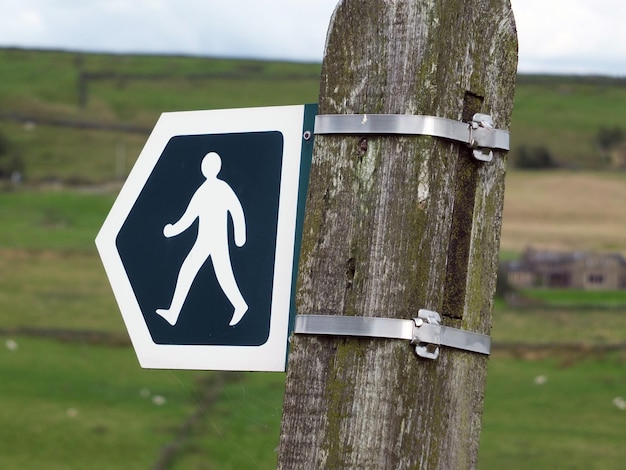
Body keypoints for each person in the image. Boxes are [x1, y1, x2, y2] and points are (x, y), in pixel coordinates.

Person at [156, 152, 248, 326]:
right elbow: (189, 216)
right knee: (188, 271)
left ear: (216, 168)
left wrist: (240, 236)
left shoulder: (222, 188)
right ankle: (173, 313)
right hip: (204, 241)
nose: (205, 167)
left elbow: (237, 210)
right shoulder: (202, 190)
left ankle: (240, 305)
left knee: (224, 276)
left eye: (209, 164)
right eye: (205, 164)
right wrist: (172, 230)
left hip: (217, 242)